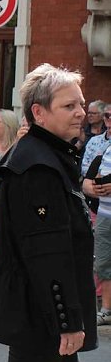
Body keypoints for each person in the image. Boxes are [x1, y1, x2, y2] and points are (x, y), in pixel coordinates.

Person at [0, 64, 96, 362]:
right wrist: (66, 322)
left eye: (81, 104)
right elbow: (46, 253)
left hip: (44, 313)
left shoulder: (48, 156)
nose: (80, 113)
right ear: (39, 113)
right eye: (69, 106)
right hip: (40, 316)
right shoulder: (38, 167)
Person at [81, 107, 111, 326]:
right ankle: (107, 310)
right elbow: (87, 175)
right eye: (108, 116)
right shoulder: (105, 148)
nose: (109, 120)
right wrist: (91, 186)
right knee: (103, 262)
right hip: (103, 212)